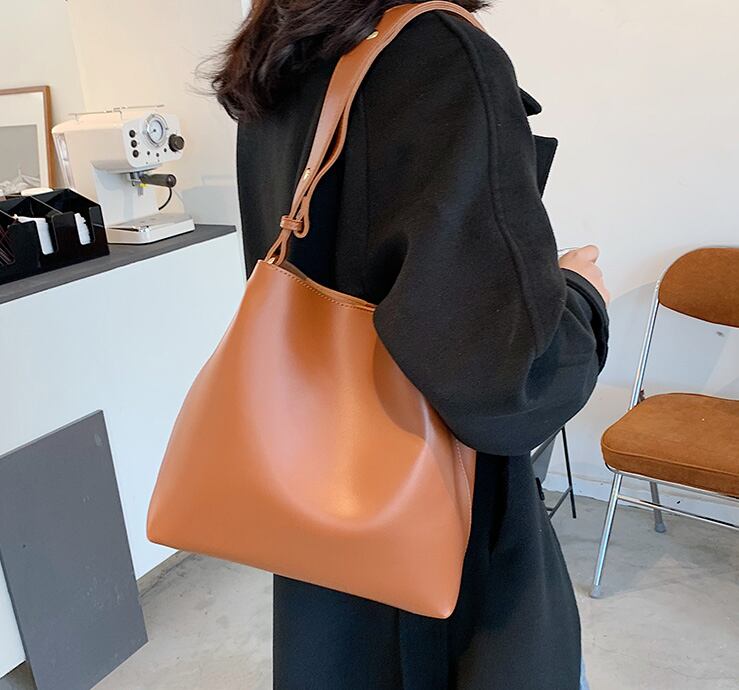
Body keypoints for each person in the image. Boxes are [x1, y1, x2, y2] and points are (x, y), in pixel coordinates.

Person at [212, 1, 609, 688]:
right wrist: (581, 294)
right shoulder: (436, 51)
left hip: (316, 491)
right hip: (433, 517)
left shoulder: (284, 51)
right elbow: (512, 386)